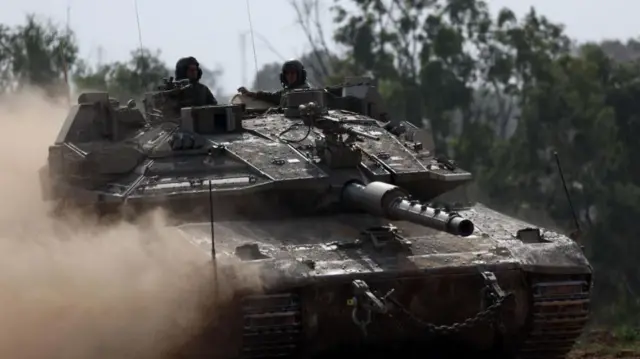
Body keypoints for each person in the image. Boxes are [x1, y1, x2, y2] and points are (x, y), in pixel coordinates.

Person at [237, 59, 310, 106]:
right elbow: (272, 96)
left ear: (300, 75)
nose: (290, 76)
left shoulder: (307, 92)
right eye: (287, 74)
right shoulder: (286, 93)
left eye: (293, 73)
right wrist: (253, 94)